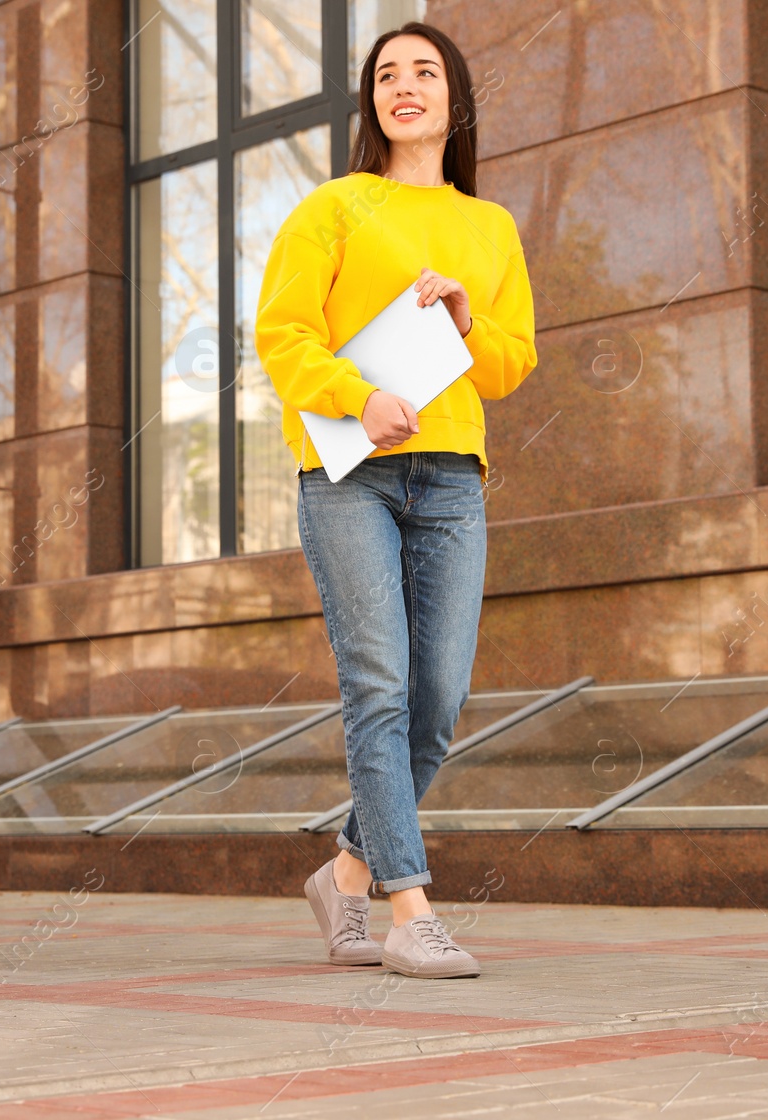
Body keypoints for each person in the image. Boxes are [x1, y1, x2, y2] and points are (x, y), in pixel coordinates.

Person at [254, 22, 537, 979]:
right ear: (372, 103)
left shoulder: (489, 228)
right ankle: (410, 910)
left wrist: (467, 319)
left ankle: (343, 875)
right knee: (378, 685)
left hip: (453, 475)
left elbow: (511, 365)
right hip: (346, 474)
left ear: (454, 99)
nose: (404, 86)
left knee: (439, 702)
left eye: (424, 72)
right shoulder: (331, 209)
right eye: (386, 75)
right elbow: (283, 335)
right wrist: (357, 396)